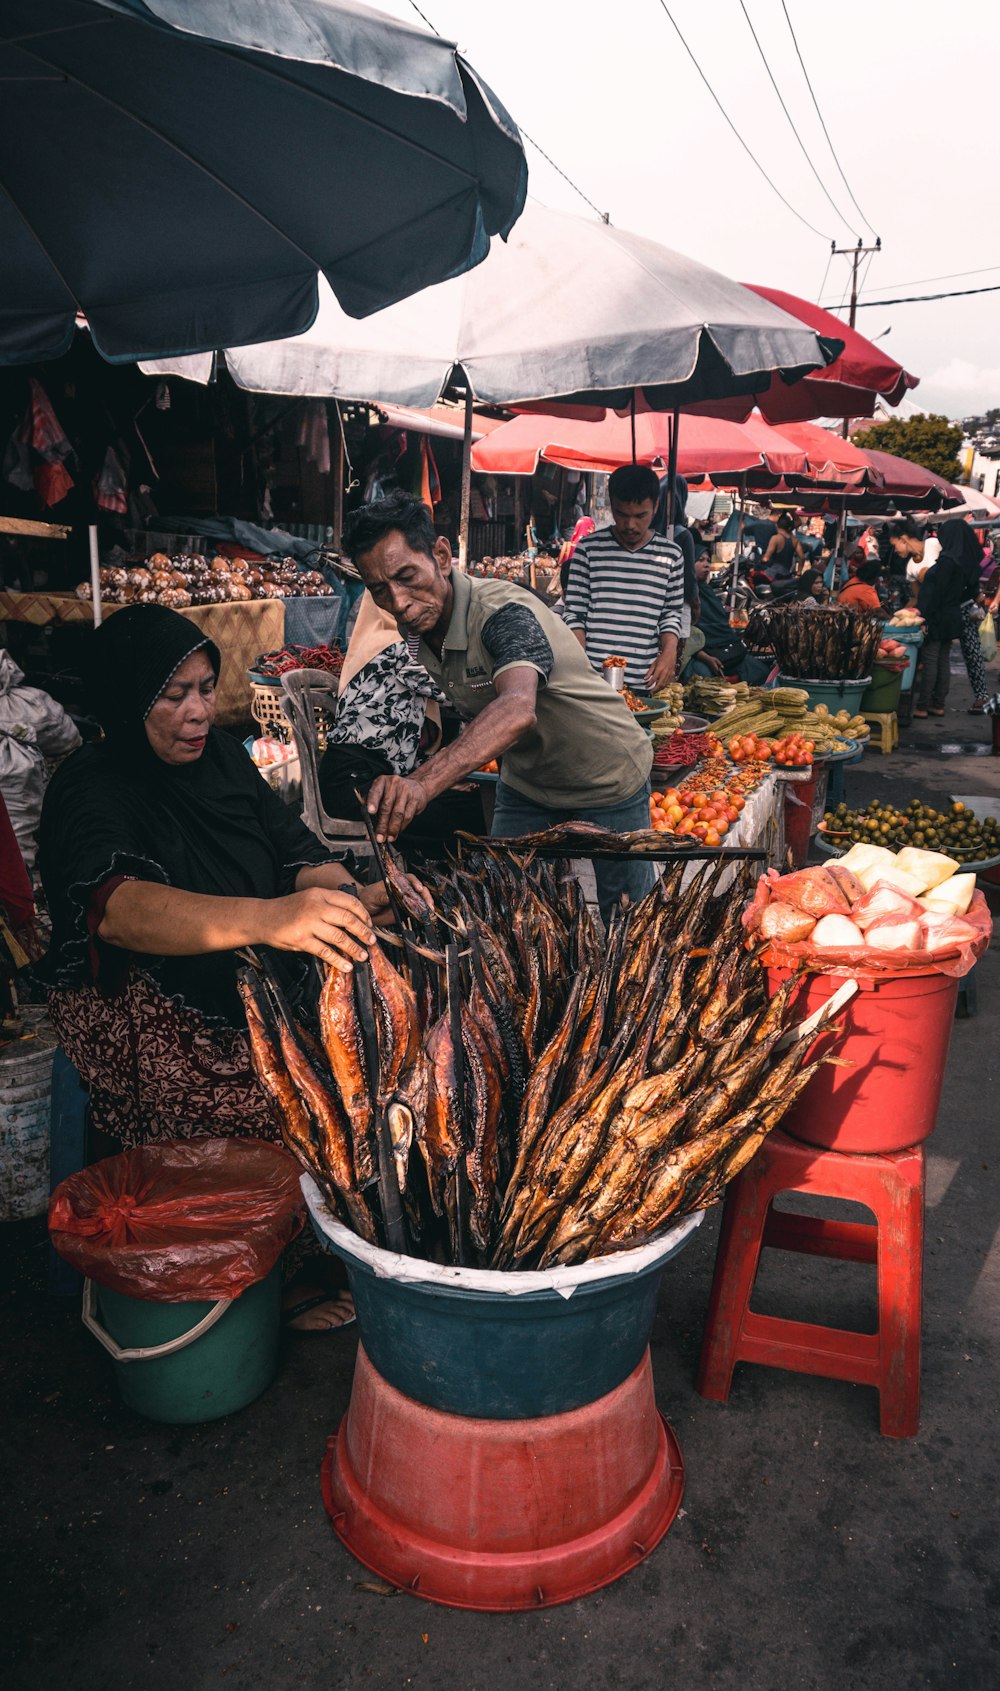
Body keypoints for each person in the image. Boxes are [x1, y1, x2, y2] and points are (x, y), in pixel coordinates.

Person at [36, 606, 397, 1329]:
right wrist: (270, 920)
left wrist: (355, 900)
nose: (199, 711)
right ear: (127, 697)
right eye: (174, 696)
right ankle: (264, 1275)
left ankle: (315, 1242)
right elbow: (119, 909)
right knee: (275, 1088)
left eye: (206, 687)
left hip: (250, 974)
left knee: (379, 1033)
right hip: (150, 1004)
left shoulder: (224, 758)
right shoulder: (92, 785)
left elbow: (297, 853)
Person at [340, 491, 657, 922]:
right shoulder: (417, 626)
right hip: (528, 784)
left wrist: (422, 782)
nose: (398, 602)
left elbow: (517, 708)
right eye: (379, 589)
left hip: (607, 778)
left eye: (407, 577)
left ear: (441, 554)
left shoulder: (501, 612)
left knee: (631, 925)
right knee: (509, 912)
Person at [318, 590, 483, 853]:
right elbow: (460, 697)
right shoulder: (396, 648)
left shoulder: (378, 641)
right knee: (464, 816)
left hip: (372, 778)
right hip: (353, 785)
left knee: (462, 804)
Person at [562, 464, 684, 692]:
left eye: (640, 516)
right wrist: (582, 669)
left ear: (656, 507)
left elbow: (671, 614)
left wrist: (669, 653)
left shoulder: (671, 555)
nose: (630, 525)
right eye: (621, 514)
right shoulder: (589, 549)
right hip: (592, 682)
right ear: (611, 506)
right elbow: (574, 613)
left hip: (643, 681)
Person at [684, 557, 772, 684]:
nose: (706, 565)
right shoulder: (684, 595)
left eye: (708, 560)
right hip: (698, 655)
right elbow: (685, 638)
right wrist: (707, 658)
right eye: (700, 560)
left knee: (762, 673)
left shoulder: (707, 592)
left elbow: (725, 630)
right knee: (705, 683)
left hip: (728, 653)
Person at [915, 536, 973, 717]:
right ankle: (938, 703)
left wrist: (926, 618)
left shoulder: (945, 564)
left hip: (938, 618)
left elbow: (934, 594)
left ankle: (923, 706)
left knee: (931, 660)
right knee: (942, 660)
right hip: (951, 616)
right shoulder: (959, 563)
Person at [935, 518, 989, 712]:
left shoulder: (948, 560)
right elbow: (975, 588)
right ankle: (981, 696)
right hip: (967, 609)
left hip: (948, 611)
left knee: (938, 655)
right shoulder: (971, 558)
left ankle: (935, 700)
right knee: (972, 654)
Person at [889, 519, 942, 591]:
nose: (895, 550)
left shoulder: (933, 544)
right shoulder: (910, 567)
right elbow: (916, 597)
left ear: (903, 540)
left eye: (894, 545)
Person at [760, 512, 804, 580]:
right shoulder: (795, 540)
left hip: (772, 575)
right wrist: (799, 573)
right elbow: (802, 557)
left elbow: (766, 558)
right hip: (786, 575)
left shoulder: (776, 538)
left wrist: (759, 562)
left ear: (776, 526)